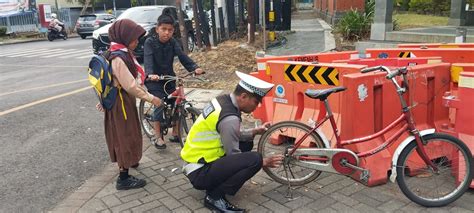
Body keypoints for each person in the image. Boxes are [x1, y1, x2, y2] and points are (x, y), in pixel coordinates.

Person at [180, 71, 284, 212]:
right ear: (243, 96)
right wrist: (263, 162)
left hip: (198, 162)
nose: (257, 106)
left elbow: (231, 134)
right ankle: (215, 197)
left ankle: (216, 184)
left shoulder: (223, 100)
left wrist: (255, 131)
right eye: (256, 102)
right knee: (254, 159)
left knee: (247, 143)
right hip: (200, 171)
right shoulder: (230, 118)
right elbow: (234, 157)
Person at [96, 19, 163, 190]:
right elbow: (131, 85)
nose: (137, 41)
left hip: (121, 101)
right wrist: (151, 98)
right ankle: (123, 178)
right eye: (134, 38)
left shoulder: (117, 52)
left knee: (128, 133)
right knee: (123, 136)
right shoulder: (119, 58)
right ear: (124, 37)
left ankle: (130, 161)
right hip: (121, 105)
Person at [144, 13, 203, 149]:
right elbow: (148, 60)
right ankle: (158, 136)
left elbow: (182, 57)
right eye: (164, 29)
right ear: (157, 28)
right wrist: (151, 74)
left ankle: (176, 133)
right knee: (159, 103)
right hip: (154, 80)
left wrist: (195, 67)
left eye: (170, 30)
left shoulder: (173, 42)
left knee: (176, 101)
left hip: (169, 78)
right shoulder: (150, 42)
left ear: (173, 31)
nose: (167, 33)